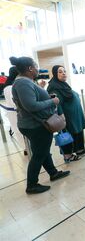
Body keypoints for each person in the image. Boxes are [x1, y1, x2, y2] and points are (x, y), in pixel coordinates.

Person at [11, 57, 70, 194]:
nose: (38, 69)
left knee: (42, 150)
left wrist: (45, 95)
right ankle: (31, 185)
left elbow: (32, 100)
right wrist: (52, 101)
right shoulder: (23, 83)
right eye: (36, 66)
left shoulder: (25, 82)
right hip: (35, 125)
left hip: (35, 123)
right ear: (30, 68)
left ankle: (53, 173)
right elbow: (31, 106)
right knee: (39, 154)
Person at [47, 65, 85, 163]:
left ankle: (80, 150)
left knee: (78, 131)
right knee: (66, 134)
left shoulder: (64, 85)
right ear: (55, 74)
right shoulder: (53, 87)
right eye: (60, 72)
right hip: (66, 116)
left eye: (64, 71)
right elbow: (57, 104)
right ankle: (68, 155)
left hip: (75, 115)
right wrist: (62, 116)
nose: (63, 73)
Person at [3, 57, 26, 152]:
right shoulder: (10, 87)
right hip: (15, 112)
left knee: (18, 130)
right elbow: (15, 102)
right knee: (18, 131)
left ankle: (26, 148)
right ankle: (26, 148)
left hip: (13, 112)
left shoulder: (8, 85)